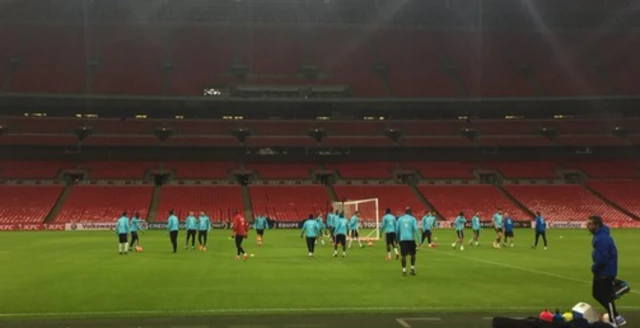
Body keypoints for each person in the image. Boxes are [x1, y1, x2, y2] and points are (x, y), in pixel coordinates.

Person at [588, 215, 625, 327]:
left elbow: (603, 258)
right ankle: (616, 317)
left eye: (590, 224)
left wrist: (595, 267)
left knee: (605, 296)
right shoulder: (600, 236)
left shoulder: (602, 238)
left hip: (605, 271)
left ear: (597, 225)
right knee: (597, 294)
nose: (587, 226)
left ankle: (614, 320)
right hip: (604, 270)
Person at [396, 207, 421, 277]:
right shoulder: (413, 219)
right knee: (413, 255)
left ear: (405, 212)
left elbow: (397, 230)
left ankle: (404, 270)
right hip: (411, 239)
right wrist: (420, 240)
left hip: (403, 239)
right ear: (410, 212)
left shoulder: (400, 219)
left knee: (403, 256)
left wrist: (397, 240)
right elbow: (416, 229)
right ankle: (412, 268)